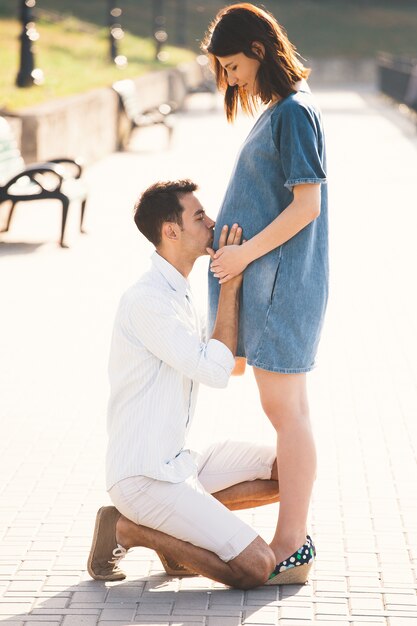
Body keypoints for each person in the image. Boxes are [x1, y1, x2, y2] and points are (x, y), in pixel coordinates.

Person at [87, 179, 282, 590]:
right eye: (199, 216)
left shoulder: (182, 291)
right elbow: (214, 372)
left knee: (289, 470)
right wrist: (231, 283)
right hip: (144, 477)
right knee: (257, 566)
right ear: (170, 231)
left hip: (181, 464)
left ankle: (172, 535)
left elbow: (229, 365)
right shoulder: (149, 301)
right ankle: (130, 530)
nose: (211, 222)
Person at [203, 3, 327, 584]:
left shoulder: (294, 114)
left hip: (280, 285)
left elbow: (308, 206)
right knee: (287, 412)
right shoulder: (282, 111)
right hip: (273, 285)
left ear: (257, 50)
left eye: (231, 67)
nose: (230, 80)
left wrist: (242, 254)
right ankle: (292, 542)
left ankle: (292, 545)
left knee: (288, 414)